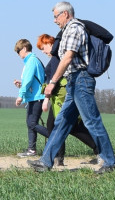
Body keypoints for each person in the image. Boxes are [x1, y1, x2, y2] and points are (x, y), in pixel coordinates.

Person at [28, 2, 115, 174]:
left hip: (81, 79)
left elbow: (68, 57)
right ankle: (45, 161)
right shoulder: (65, 31)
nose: (54, 20)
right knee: (61, 122)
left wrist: (53, 82)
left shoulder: (74, 29)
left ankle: (110, 162)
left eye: (56, 16)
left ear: (66, 14)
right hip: (73, 81)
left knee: (92, 121)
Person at [36, 33, 99, 166]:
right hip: (58, 98)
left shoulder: (56, 58)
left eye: (43, 47)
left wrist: (46, 98)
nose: (43, 51)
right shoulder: (56, 57)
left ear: (49, 43)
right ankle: (57, 158)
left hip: (61, 97)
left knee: (73, 127)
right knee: (53, 126)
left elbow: (54, 79)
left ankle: (99, 148)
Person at [13, 38, 48, 157]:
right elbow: (30, 81)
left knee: (32, 123)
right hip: (34, 97)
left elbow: (28, 81)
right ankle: (31, 149)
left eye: (18, 51)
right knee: (30, 123)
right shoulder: (31, 61)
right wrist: (21, 84)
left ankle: (54, 138)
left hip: (36, 97)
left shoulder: (31, 61)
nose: (18, 54)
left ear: (24, 48)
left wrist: (20, 96)